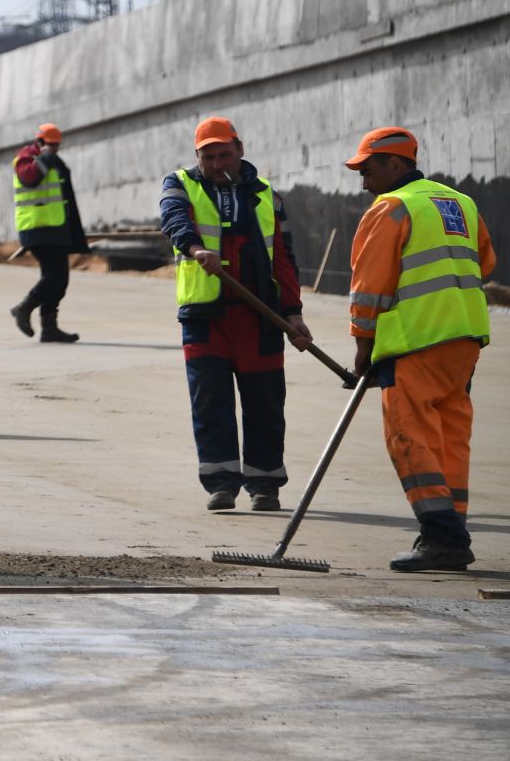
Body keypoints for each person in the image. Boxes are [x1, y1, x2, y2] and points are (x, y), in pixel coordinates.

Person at [344, 127, 495, 572]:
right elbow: (484, 262)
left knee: (408, 436)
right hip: (464, 339)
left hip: (415, 342)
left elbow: (369, 288)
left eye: (368, 169)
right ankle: (452, 530)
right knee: (450, 436)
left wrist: (363, 350)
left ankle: (442, 536)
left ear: (396, 164)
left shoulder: (391, 208)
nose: (363, 181)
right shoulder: (460, 202)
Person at [159, 116, 314, 512]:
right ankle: (221, 484)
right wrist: (195, 249)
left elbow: (283, 258)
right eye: (208, 156)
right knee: (211, 403)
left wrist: (293, 312)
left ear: (240, 149)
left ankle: (264, 485)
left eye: (224, 153)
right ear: (197, 156)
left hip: (259, 316)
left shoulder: (267, 195)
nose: (217, 162)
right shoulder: (179, 184)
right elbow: (174, 222)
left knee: (265, 404)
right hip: (205, 317)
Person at [8, 122, 89, 342]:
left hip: (55, 228)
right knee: (54, 276)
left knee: (59, 280)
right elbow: (29, 177)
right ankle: (23, 309)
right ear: (40, 141)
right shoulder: (26, 157)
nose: (54, 149)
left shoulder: (51, 160)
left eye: (56, 145)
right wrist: (45, 158)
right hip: (37, 228)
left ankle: (49, 328)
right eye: (50, 144)